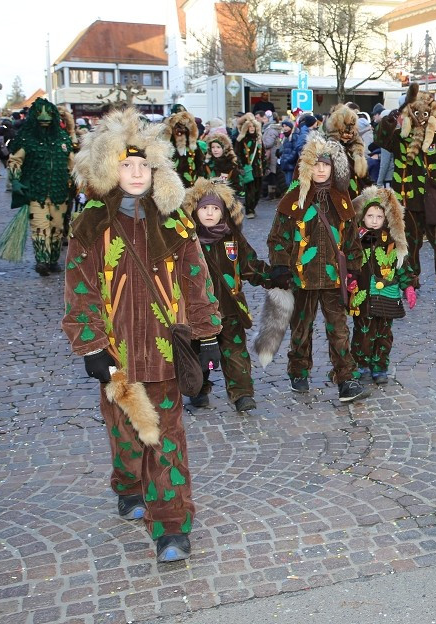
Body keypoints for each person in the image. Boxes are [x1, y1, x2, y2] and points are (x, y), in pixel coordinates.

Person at [63, 108, 222, 563]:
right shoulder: (90, 223)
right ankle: (128, 483)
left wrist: (207, 334)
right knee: (128, 437)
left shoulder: (175, 222)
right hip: (117, 357)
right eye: (126, 165)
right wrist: (92, 346)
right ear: (109, 167)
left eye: (144, 166)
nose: (136, 174)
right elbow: (81, 288)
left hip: (166, 354)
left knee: (166, 440)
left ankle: (171, 524)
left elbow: (196, 279)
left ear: (157, 170)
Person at [260, 132, 368, 402]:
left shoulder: (342, 198)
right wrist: (281, 267)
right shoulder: (293, 197)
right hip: (301, 277)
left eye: (326, 164)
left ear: (333, 167)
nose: (321, 169)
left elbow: (352, 238)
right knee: (301, 329)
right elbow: (277, 238)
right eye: (316, 164)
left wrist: (354, 268)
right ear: (306, 166)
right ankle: (298, 370)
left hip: (333, 278)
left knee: (339, 330)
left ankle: (346, 378)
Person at [182, 179, 287, 412]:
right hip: (197, 312)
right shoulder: (187, 240)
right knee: (199, 353)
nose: (210, 213)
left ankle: (242, 393)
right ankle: (199, 388)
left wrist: (273, 276)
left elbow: (250, 265)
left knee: (235, 352)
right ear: (195, 211)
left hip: (230, 308)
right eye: (204, 209)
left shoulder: (232, 238)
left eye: (215, 209)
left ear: (224, 212)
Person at [375, 84, 436, 293]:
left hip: (433, 201)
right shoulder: (399, 139)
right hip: (407, 202)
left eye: (426, 113)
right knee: (409, 242)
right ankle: (411, 278)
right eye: (417, 113)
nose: (421, 118)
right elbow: (380, 137)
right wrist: (394, 115)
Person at [346, 186, 415, 387]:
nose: (374, 220)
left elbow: (402, 265)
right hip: (364, 295)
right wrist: (349, 278)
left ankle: (380, 367)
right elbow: (351, 261)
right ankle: (362, 366)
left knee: (384, 335)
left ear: (385, 219)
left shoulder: (392, 242)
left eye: (379, 216)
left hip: (387, 295)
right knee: (363, 334)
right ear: (363, 217)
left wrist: (408, 286)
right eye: (370, 216)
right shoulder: (357, 239)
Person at [2, 98, 74, 274]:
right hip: (36, 192)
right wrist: (16, 179)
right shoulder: (26, 139)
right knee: (40, 226)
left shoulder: (63, 139)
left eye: (48, 114)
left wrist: (76, 181)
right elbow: (15, 161)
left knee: (57, 227)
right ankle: (42, 260)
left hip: (60, 192)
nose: (44, 117)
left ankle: (53, 260)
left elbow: (72, 163)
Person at [324, 104, 372, 196]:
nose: (349, 134)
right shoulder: (329, 149)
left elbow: (365, 178)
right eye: (345, 132)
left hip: (359, 199)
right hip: (341, 199)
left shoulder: (356, 150)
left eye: (351, 131)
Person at [234, 113, 264, 218]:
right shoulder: (241, 140)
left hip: (259, 169)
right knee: (250, 191)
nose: (252, 128)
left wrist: (265, 166)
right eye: (249, 127)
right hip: (248, 169)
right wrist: (241, 167)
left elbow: (263, 154)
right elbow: (237, 154)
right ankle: (249, 211)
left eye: (253, 126)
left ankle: (251, 207)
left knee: (258, 192)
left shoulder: (259, 139)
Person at [165, 111, 204, 188]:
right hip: (174, 185)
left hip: (191, 184)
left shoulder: (193, 146)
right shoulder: (169, 146)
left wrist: (200, 178)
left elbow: (199, 163)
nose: (181, 132)